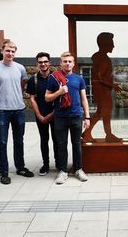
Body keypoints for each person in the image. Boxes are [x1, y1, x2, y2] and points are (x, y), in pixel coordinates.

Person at [0, 40, 34, 185]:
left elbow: (22, 86)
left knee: (19, 140)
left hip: (18, 109)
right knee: (2, 141)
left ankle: (20, 167)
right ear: (2, 51)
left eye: (13, 51)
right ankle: (4, 172)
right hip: (1, 110)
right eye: (8, 50)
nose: (10, 53)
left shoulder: (20, 68)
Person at [45, 51, 90, 184]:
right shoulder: (54, 78)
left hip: (76, 116)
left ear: (74, 63)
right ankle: (63, 171)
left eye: (70, 61)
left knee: (76, 145)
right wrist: (59, 92)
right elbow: (47, 98)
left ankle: (78, 169)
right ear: (60, 63)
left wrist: (87, 117)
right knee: (61, 145)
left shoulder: (79, 79)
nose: (67, 63)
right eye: (65, 61)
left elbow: (84, 99)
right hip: (60, 117)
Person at [82, 32, 121, 142]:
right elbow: (100, 76)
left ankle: (106, 134)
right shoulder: (104, 58)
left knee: (103, 112)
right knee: (102, 112)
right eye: (111, 43)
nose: (113, 46)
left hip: (100, 90)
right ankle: (88, 133)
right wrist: (113, 85)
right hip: (103, 91)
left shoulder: (99, 57)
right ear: (105, 44)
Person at [26, 52, 57, 176]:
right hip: (41, 115)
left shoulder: (55, 77)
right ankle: (45, 164)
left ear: (49, 63)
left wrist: (53, 113)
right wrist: (39, 115)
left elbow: (60, 97)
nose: (43, 64)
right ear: (37, 64)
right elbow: (32, 99)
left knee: (57, 139)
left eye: (45, 61)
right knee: (44, 140)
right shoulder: (33, 79)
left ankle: (59, 163)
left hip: (55, 114)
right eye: (40, 62)